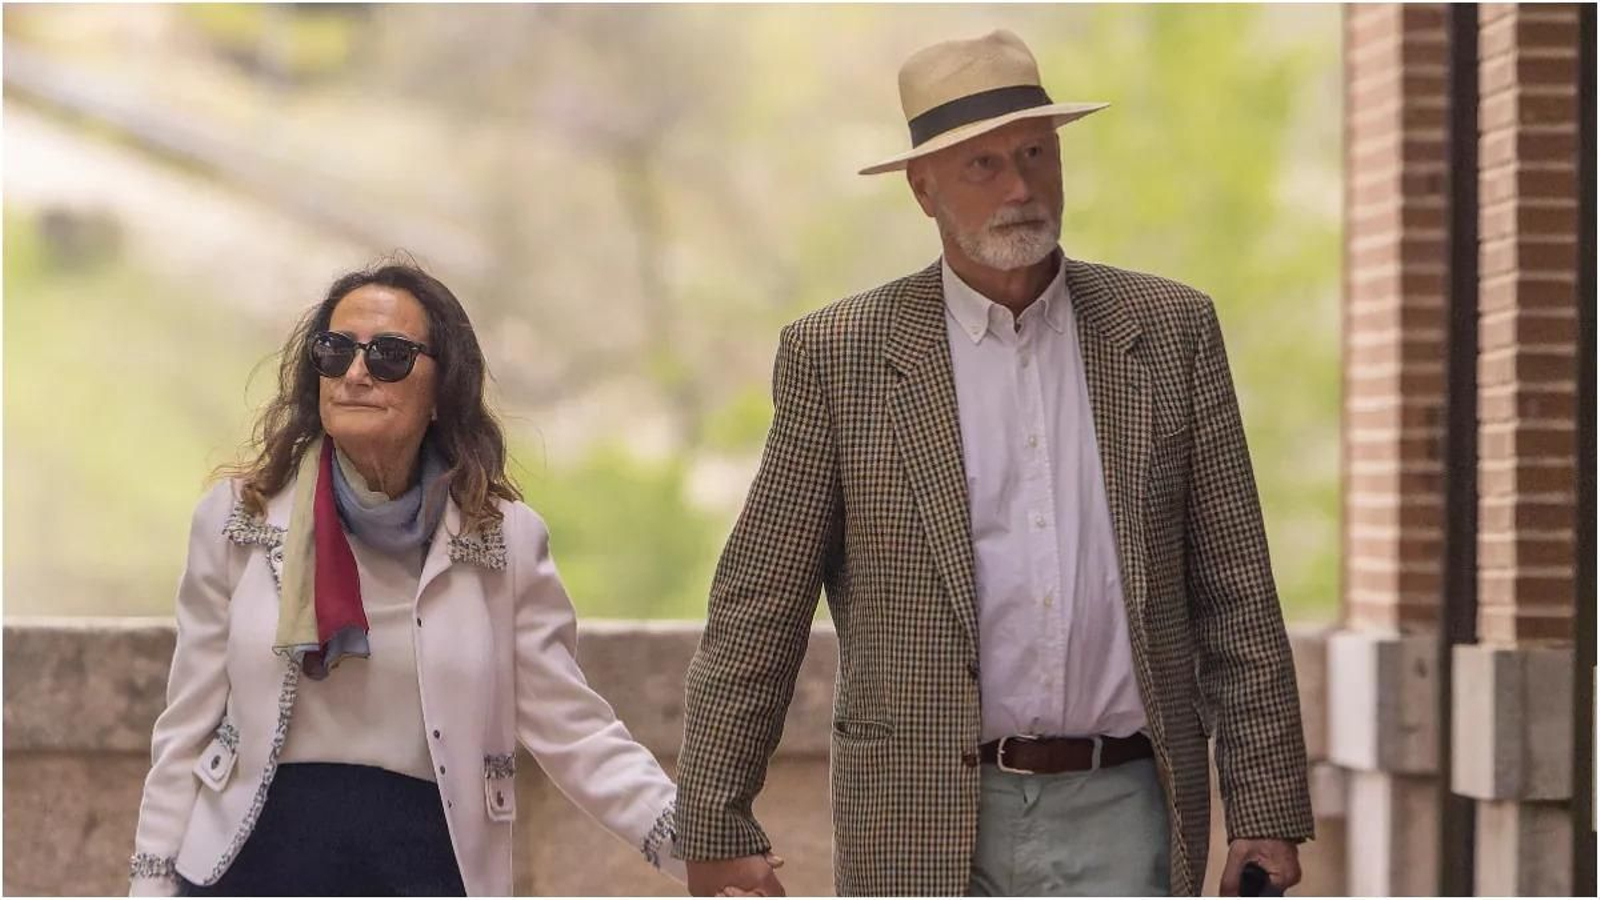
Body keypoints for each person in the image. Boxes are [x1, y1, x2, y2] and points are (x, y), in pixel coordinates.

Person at [675, 29, 1313, 897]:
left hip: (1127, 808)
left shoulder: (1170, 332)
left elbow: (1236, 589)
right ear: (923, 188)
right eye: (983, 165)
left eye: (1035, 154)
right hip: (921, 816)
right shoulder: (842, 356)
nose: (1019, 187)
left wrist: (1266, 807)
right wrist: (715, 819)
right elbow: (760, 602)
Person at [128, 262, 687, 895]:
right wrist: (150, 884)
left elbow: (577, 731)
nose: (355, 373)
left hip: (425, 869)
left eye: (389, 355)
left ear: (442, 389)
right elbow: (185, 728)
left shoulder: (503, 539)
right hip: (250, 868)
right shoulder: (238, 518)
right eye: (335, 351)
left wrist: (702, 848)